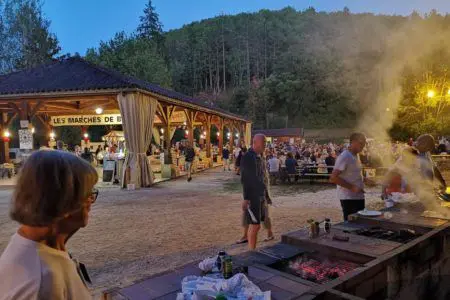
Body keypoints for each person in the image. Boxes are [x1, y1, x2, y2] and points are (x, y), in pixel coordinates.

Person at [0, 150, 98, 299]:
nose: (91, 201)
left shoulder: (33, 248)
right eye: (88, 194)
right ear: (64, 203)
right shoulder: (42, 282)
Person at [240, 134, 272, 249]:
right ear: (255, 142)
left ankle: (252, 250)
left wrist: (266, 195)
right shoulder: (248, 156)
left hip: (260, 195)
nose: (265, 145)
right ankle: (251, 253)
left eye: (265, 142)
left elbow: (262, 177)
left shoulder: (259, 156)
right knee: (255, 225)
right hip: (253, 196)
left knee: (257, 225)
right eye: (263, 142)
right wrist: (246, 198)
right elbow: (245, 178)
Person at [330, 133, 372, 221]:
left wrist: (364, 179)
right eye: (361, 143)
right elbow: (333, 178)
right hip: (349, 198)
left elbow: (353, 174)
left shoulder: (356, 155)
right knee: (351, 225)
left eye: (364, 143)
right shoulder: (344, 156)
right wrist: (352, 187)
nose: (363, 145)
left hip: (358, 196)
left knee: (360, 223)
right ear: (353, 142)